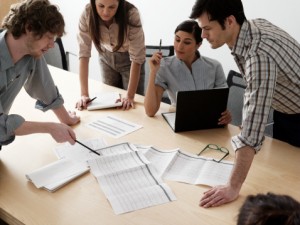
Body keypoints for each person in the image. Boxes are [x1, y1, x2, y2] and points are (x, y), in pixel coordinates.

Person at [190, 0, 300, 208]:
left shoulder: (259, 54)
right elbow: (256, 93)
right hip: (286, 109)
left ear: (229, 21)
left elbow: (251, 133)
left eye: (207, 29)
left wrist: (232, 186)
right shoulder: (252, 28)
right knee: (281, 174)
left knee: (293, 181)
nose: (202, 36)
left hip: (297, 114)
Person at [0, 0, 80, 149]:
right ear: (29, 28)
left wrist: (66, 119)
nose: (52, 45)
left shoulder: (32, 53)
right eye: (49, 37)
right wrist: (50, 128)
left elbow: (45, 88)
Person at [144, 20, 231, 125]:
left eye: (187, 42)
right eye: (177, 40)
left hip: (207, 124)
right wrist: (153, 72)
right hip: (179, 122)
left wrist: (226, 116)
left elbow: (221, 107)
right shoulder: (164, 66)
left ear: (198, 45)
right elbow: (150, 111)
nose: (179, 47)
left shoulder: (215, 66)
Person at [76, 0, 145, 111]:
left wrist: (130, 96)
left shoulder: (131, 14)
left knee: (131, 107)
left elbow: (137, 57)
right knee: (109, 104)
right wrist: (84, 94)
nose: (106, 12)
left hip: (130, 61)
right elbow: (83, 54)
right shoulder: (87, 13)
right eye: (101, 6)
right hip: (105, 58)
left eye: (112, 7)